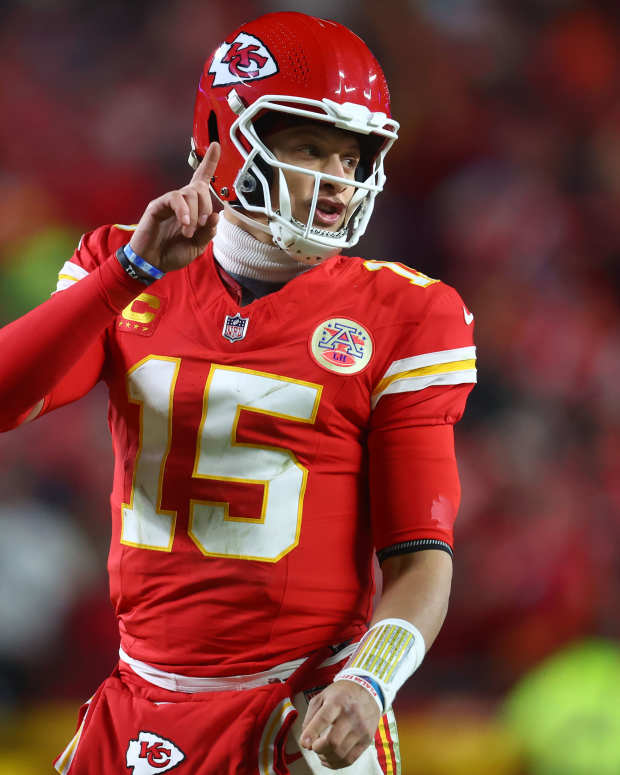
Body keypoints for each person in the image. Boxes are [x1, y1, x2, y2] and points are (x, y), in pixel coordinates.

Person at [0, 11, 476, 775]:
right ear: (226, 142)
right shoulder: (124, 264)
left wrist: (369, 678)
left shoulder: (407, 312)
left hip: (298, 708)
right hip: (138, 695)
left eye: (352, 156)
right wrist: (131, 273)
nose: (337, 180)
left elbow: (423, 556)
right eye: (310, 147)